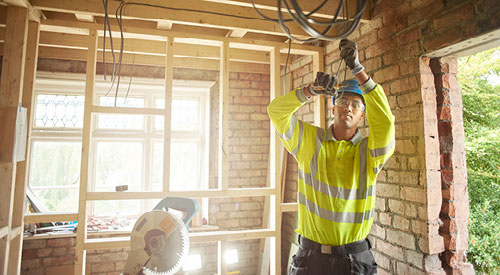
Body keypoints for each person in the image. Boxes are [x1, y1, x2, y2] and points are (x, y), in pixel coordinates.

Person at [267, 39, 395, 274]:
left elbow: (385, 121)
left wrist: (357, 69)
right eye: (343, 101)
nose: (348, 108)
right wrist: (310, 91)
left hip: (354, 260)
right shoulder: (309, 141)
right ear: (333, 107)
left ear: (362, 115)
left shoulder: (369, 152)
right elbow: (275, 111)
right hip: (311, 258)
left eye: (356, 105)